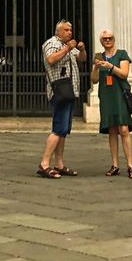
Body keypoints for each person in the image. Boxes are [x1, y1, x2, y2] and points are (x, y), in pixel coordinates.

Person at [37, 19, 85, 178]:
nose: (69, 32)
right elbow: (50, 60)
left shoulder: (69, 46)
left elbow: (82, 59)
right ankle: (44, 163)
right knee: (58, 128)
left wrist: (82, 50)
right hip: (59, 91)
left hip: (70, 91)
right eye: (66, 30)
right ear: (58, 32)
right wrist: (67, 49)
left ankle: (59, 164)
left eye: (70, 30)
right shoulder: (52, 43)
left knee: (64, 130)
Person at [91, 28, 132, 178]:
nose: (108, 40)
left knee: (123, 129)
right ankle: (115, 164)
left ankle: (130, 165)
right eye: (105, 39)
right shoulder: (98, 56)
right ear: (101, 42)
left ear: (114, 39)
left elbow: (124, 74)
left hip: (119, 96)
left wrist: (110, 66)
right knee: (112, 130)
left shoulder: (122, 54)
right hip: (106, 96)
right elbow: (94, 80)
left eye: (110, 38)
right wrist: (96, 68)